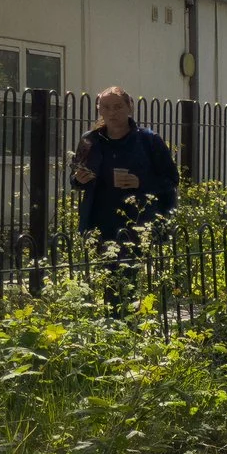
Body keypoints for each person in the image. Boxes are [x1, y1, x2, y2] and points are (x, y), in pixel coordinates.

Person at [71, 88, 179, 299]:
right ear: (99, 110)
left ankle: (123, 324)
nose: (112, 112)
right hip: (99, 220)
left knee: (127, 278)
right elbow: (76, 177)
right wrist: (78, 179)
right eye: (106, 107)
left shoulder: (148, 140)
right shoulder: (90, 140)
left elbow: (171, 179)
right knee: (107, 279)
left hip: (135, 220)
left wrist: (142, 182)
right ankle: (113, 324)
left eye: (118, 106)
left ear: (130, 107)